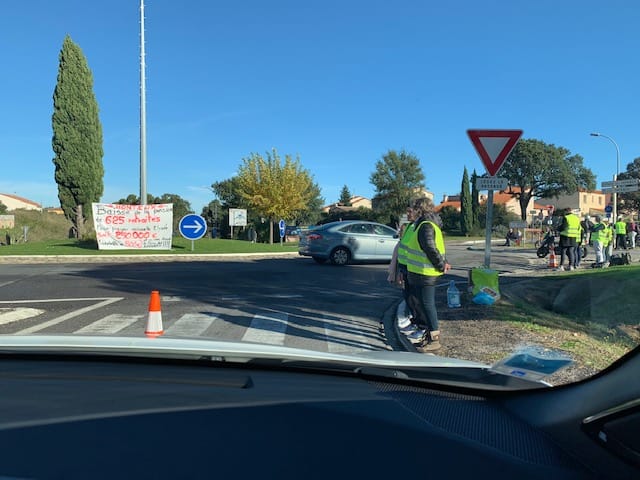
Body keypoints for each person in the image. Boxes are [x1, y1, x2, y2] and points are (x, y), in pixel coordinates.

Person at [404, 197, 451, 352]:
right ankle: (429, 336)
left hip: (426, 273)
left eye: (414, 208)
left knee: (428, 305)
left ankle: (434, 339)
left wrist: (440, 265)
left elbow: (431, 249)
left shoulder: (425, 226)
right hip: (420, 273)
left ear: (420, 209)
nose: (411, 211)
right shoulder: (422, 225)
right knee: (424, 305)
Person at [388, 207, 417, 330]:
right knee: (408, 296)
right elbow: (401, 251)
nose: (408, 214)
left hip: (415, 269)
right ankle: (414, 321)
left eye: (410, 212)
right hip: (406, 268)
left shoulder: (418, 227)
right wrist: (398, 270)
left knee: (415, 299)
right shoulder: (410, 227)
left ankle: (419, 324)